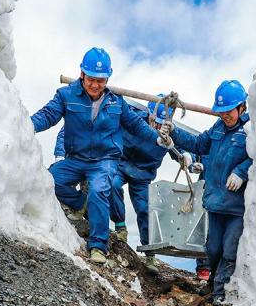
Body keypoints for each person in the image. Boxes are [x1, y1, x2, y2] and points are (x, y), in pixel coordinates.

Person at [31, 47, 167, 264]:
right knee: (49, 179)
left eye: (101, 80)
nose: (95, 85)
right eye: (91, 79)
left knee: (100, 189)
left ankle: (98, 246)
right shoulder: (66, 96)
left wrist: (156, 138)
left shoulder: (116, 102)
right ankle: (80, 202)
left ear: (107, 79)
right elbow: (48, 115)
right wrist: (27, 124)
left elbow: (135, 124)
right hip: (76, 158)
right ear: (82, 74)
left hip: (105, 160)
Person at [53, 95, 192, 274]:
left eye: (161, 123)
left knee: (144, 208)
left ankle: (150, 253)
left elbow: (183, 148)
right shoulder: (132, 117)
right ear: (148, 113)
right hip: (120, 163)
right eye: (154, 121)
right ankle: (120, 226)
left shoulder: (169, 132)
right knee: (111, 184)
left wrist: (188, 156)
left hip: (143, 174)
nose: (157, 126)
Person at [159, 80, 251, 304]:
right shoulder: (218, 129)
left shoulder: (251, 131)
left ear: (242, 107)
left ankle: (220, 295)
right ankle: (212, 286)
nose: (224, 116)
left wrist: (241, 171)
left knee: (230, 249)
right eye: (221, 112)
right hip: (215, 202)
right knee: (213, 249)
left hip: (236, 206)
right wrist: (175, 134)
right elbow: (198, 144)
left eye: (228, 111)